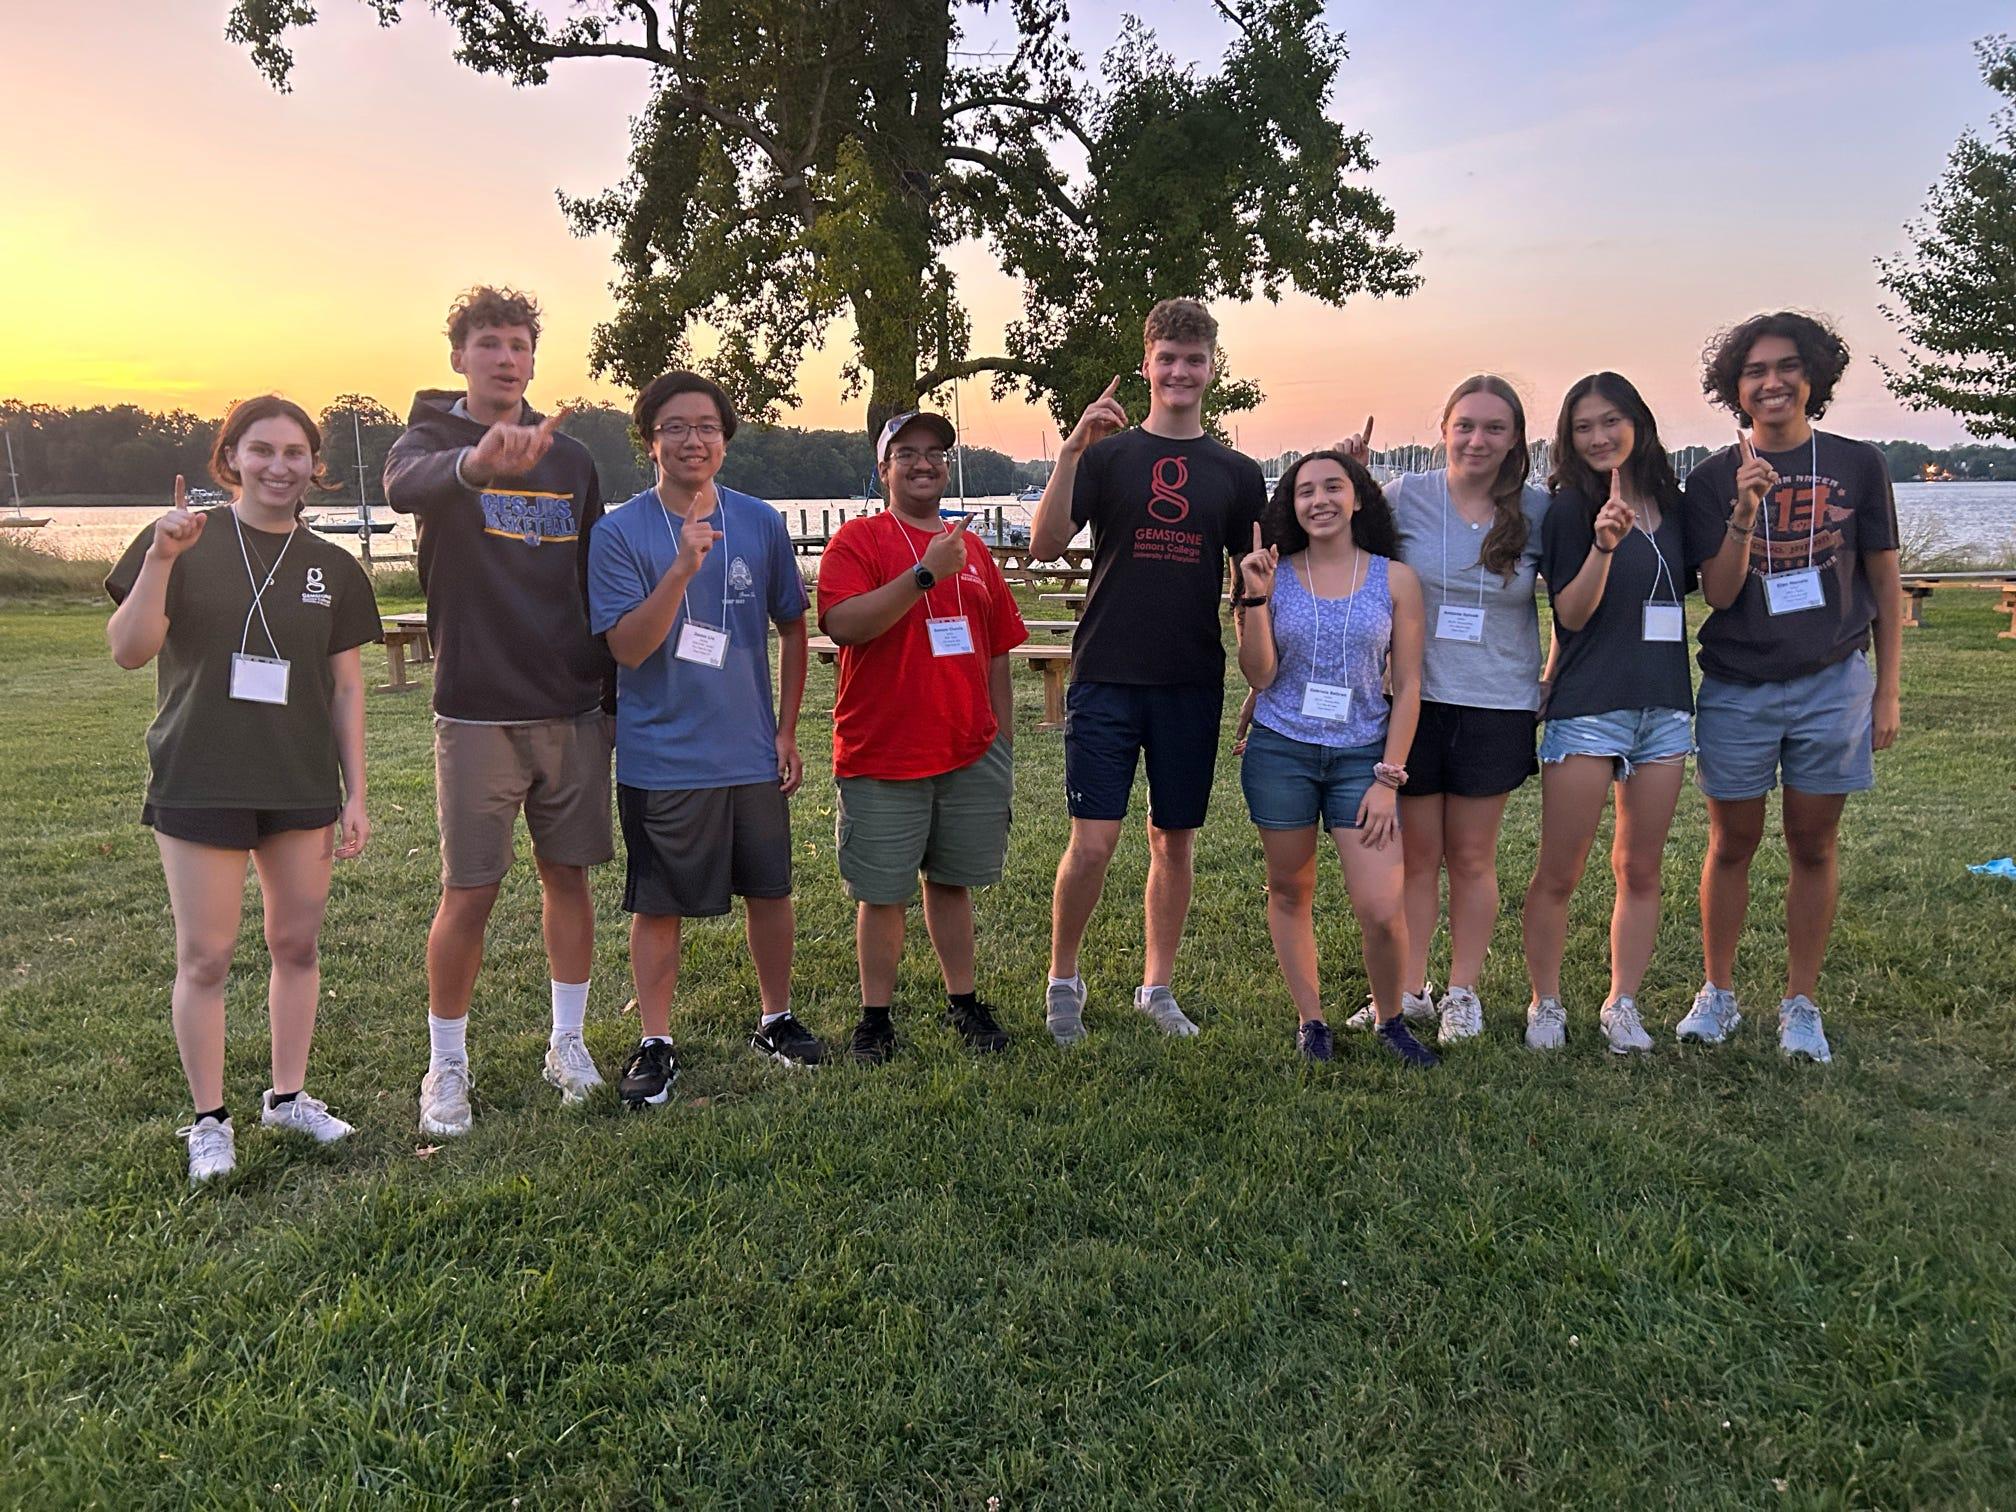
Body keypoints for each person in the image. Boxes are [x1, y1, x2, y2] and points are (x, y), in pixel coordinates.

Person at [106, 397, 380, 1184]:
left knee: (296, 945)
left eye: (296, 452)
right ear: (230, 459)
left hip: (298, 782)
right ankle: (209, 1119)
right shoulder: (183, 540)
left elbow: (346, 690)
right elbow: (129, 652)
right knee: (207, 955)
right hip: (200, 774)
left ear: (314, 467)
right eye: (261, 450)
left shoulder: (334, 566)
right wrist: (159, 558)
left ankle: (288, 1096)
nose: (279, 465)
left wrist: (355, 792)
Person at [384, 286, 616, 1136]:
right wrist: (480, 465)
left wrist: (609, 701)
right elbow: (409, 487)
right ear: (459, 357)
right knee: (469, 892)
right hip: (477, 711)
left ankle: (569, 1042)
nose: (506, 357)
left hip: (571, 706)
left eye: (519, 343)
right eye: (489, 342)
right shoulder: (428, 442)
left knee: (569, 878)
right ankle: (447, 1064)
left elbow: (595, 580)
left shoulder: (573, 461)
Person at [1029, 297, 1267, 1044]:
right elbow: (1041, 544)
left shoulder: (1238, 472)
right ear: (1147, 366)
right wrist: (1071, 449)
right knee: (1093, 841)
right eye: (1167, 358)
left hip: (1191, 678)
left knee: (1174, 840)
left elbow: (1254, 580)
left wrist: (1262, 674)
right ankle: (1063, 977)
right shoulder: (1107, 456)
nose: (1181, 371)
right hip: (1105, 671)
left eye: (1194, 359)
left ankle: (1156, 986)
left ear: (1212, 369)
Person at [588, 370, 818, 1107]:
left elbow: (792, 624)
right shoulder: (620, 532)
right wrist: (682, 569)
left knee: (770, 890)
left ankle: (775, 1019)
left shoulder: (760, 522)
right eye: (676, 427)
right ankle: (655, 1040)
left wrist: (784, 730)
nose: (694, 440)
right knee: (659, 901)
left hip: (749, 750)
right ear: (650, 440)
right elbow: (627, 647)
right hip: (664, 755)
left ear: (725, 439)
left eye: (708, 427)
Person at [1678, 312, 1902, 1062]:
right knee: (1732, 841)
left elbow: (1883, 577)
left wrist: (1888, 690)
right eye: (1754, 372)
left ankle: (1800, 1002)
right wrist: (1744, 508)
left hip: (1831, 680)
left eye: (1785, 368)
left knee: (1813, 843)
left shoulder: (1858, 464)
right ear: (1734, 389)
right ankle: (1719, 992)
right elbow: (1717, 591)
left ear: (1813, 377)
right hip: (1738, 684)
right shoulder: (1710, 479)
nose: (1771, 382)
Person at [816, 411, 1029, 1062]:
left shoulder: (974, 550)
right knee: (883, 894)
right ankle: (874, 1018)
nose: (923, 463)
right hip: (883, 750)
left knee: (952, 883)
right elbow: (845, 624)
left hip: (968, 749)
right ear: (884, 469)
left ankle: (963, 1001)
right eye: (906, 453)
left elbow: (996, 649)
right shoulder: (860, 542)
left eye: (935, 452)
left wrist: (1001, 742)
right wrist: (924, 574)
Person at [1232, 450, 1437, 1068]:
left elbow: (1407, 686)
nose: (1318, 500)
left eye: (1333, 487)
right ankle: (1312, 1020)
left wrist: (1389, 778)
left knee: (1380, 907)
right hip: (1281, 750)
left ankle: (1391, 1019)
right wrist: (1255, 599)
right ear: (1290, 505)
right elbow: (1260, 675)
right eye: (1305, 491)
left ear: (1357, 498)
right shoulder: (1272, 573)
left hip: (1362, 758)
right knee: (1291, 888)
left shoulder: (1394, 579)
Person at [1520, 374, 1694, 1054]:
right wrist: (1603, 545)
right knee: (1560, 871)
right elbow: (1570, 613)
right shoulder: (1568, 510)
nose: (1598, 436)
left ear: (1638, 423)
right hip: (1589, 709)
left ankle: (1622, 1003)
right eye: (1583, 426)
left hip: (1665, 709)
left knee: (1641, 870)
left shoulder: (1674, 506)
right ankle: (1545, 1001)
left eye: (1610, 421)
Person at [1374, 376, 1549, 1045]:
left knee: (1472, 858)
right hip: (1414, 700)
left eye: (1494, 428)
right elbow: (1351, 566)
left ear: (1514, 440)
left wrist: (1553, 675)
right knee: (1416, 857)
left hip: (1497, 702)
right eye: (1466, 425)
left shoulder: (1538, 509)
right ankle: (1410, 991)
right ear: (1444, 428)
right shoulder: (1404, 498)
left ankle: (1462, 993)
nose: (1478, 439)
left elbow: (1575, 600)